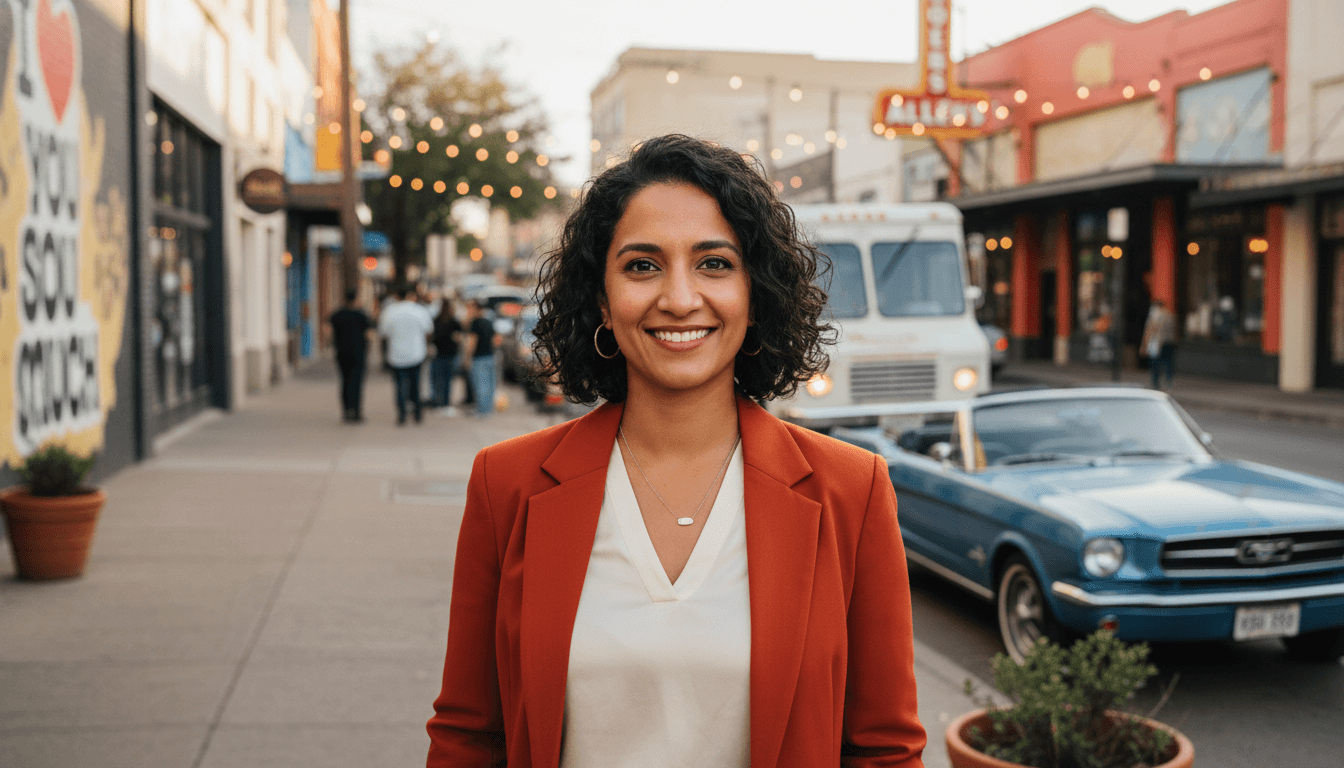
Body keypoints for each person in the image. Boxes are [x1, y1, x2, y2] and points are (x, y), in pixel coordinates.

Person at [427, 135, 927, 767]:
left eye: (714, 263)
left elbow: (884, 749)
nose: (681, 298)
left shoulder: (850, 491)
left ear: (755, 292)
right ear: (603, 300)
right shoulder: (508, 484)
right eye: (643, 265)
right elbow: (469, 737)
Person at [378, 284, 434, 425]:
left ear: (396, 297)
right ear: (410, 295)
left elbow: (383, 334)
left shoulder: (389, 311)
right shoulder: (419, 311)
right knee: (415, 385)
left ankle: (402, 414)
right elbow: (428, 331)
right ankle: (417, 413)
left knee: (399, 385)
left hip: (396, 354)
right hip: (416, 353)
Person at [329, 288, 372, 423]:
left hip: (342, 352)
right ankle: (356, 411)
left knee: (345, 381)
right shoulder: (361, 315)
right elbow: (369, 334)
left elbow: (327, 330)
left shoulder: (337, 314)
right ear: (356, 299)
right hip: (358, 352)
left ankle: (346, 411)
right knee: (356, 382)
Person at [462, 300, 502, 419]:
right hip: (490, 356)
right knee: (489, 384)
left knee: (480, 385)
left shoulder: (475, 323)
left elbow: (472, 342)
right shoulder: (488, 321)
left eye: (470, 309)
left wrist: (467, 358)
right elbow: (497, 340)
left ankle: (482, 410)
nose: (468, 311)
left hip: (478, 358)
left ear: (475, 309)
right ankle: (487, 409)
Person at [430, 299, 462, 412]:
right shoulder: (454, 321)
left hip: (438, 354)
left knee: (438, 381)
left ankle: (437, 403)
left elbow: (432, 337)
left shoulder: (436, 320)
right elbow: (459, 337)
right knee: (448, 381)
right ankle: (446, 404)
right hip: (451, 354)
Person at [1142, 297, 1177, 390]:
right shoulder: (1169, 315)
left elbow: (1149, 330)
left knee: (1156, 363)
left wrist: (1144, 344)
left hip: (1158, 342)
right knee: (1167, 363)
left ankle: (1155, 382)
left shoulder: (1155, 316)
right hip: (1169, 342)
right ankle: (1167, 381)